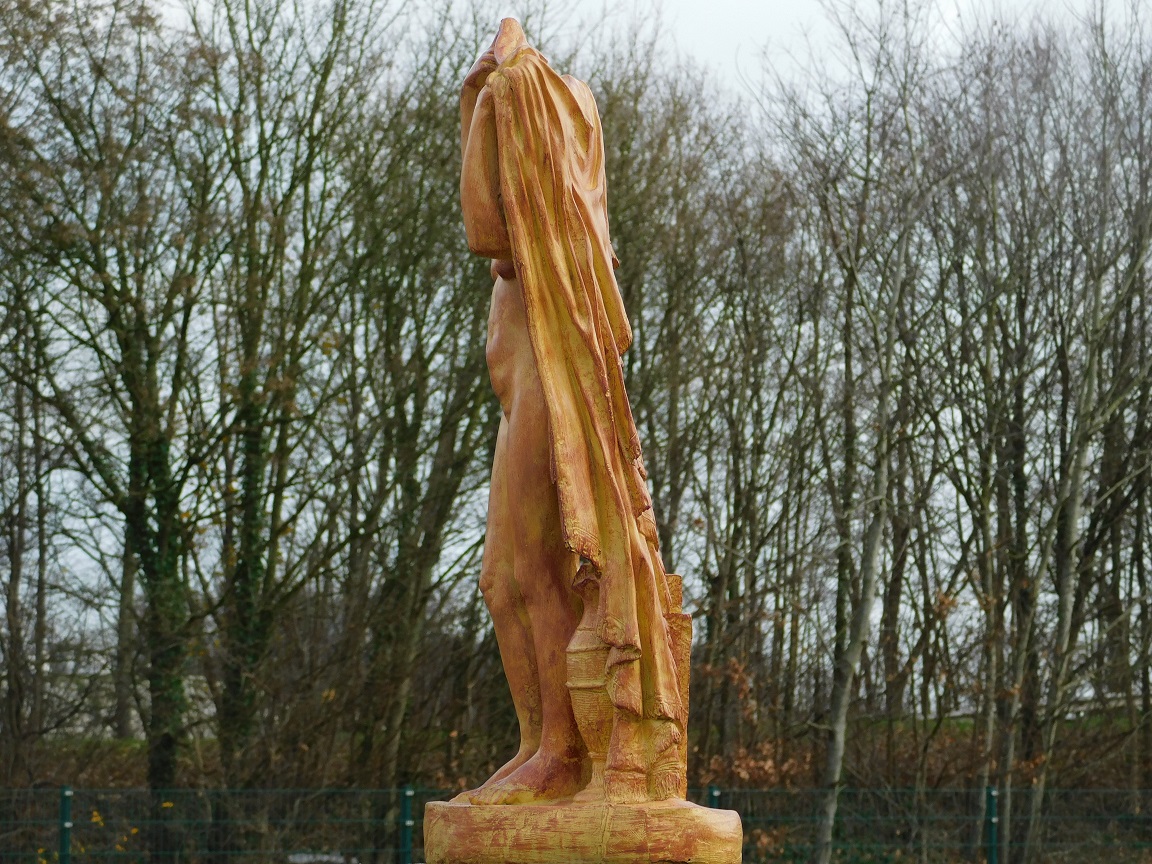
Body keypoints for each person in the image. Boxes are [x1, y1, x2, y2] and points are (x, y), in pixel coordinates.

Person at [458, 19, 685, 806]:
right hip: (516, 393)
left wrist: (492, 92)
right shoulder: (519, 263)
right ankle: (535, 743)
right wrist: (486, 91)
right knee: (498, 580)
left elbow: (484, 226)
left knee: (534, 566)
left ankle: (561, 748)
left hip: (549, 381)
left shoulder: (548, 120)